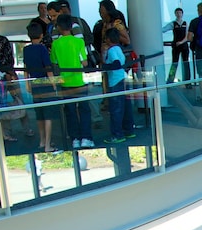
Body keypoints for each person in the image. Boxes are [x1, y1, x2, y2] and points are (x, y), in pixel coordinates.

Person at [50, 14, 94, 150]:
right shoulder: (78, 42)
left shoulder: (56, 44)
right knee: (84, 110)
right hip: (79, 80)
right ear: (72, 27)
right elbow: (85, 62)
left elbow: (54, 62)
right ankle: (86, 138)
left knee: (70, 111)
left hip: (65, 82)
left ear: (58, 27)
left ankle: (75, 139)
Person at [23, 22, 60, 153]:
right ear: (41, 34)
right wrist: (54, 83)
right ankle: (48, 145)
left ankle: (42, 140)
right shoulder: (43, 49)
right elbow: (48, 68)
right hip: (45, 83)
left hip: (34, 84)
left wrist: (27, 84)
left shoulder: (26, 49)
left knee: (39, 115)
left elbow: (26, 68)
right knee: (48, 115)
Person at [102, 27, 136, 144]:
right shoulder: (119, 48)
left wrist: (104, 67)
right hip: (123, 79)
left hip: (115, 81)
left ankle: (117, 134)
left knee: (116, 109)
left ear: (108, 39)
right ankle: (129, 130)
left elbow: (115, 64)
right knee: (126, 107)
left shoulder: (111, 51)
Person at [164, 8, 190, 83]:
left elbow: (187, 36)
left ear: (182, 14)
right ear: (175, 14)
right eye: (177, 13)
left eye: (180, 13)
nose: (179, 14)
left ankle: (188, 81)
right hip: (176, 46)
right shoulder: (173, 24)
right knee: (174, 63)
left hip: (184, 46)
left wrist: (181, 42)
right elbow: (164, 29)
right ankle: (170, 80)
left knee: (186, 63)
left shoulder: (185, 23)